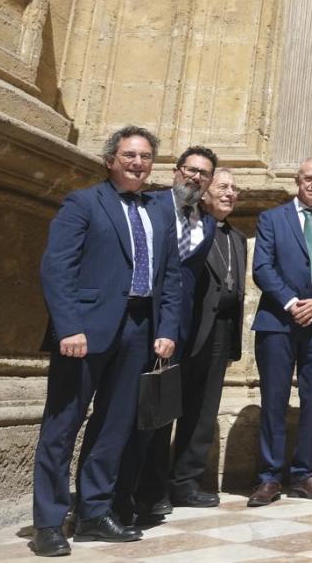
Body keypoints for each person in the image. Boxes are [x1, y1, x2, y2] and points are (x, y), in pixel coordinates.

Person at [32, 126, 180, 557]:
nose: (138, 163)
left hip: (139, 331)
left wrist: (167, 329)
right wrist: (69, 327)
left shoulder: (159, 212)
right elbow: (57, 269)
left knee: (114, 427)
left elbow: (170, 278)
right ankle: (48, 522)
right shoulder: (83, 202)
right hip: (85, 333)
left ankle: (94, 512)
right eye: (130, 155)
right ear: (111, 159)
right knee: (62, 427)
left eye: (146, 157)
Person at [115, 146, 218, 522]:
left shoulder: (204, 224)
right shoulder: (149, 204)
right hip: (139, 320)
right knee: (124, 411)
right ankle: (112, 496)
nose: (195, 178)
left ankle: (148, 491)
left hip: (174, 330)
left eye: (203, 174)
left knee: (158, 411)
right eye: (190, 170)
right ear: (176, 171)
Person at [247, 158, 312, 506]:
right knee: (274, 399)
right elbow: (262, 267)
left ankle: (304, 473)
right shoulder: (272, 219)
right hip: (278, 322)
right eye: (309, 178)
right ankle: (269, 477)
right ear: (297, 180)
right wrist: (293, 303)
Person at [165, 167, 246, 508]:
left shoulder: (238, 238)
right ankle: (152, 481)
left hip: (221, 331)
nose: (230, 193)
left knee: (203, 409)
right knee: (167, 405)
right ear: (206, 192)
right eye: (223, 187)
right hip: (189, 330)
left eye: (234, 189)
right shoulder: (192, 228)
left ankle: (187, 480)